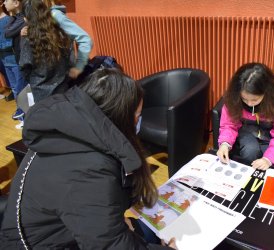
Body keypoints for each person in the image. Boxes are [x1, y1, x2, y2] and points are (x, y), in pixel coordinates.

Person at [0, 68, 176, 249]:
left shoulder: (63, 132)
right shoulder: (90, 171)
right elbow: (111, 245)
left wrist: (114, 220)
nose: (138, 122)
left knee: (147, 231)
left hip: (64, 231)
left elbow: (85, 210)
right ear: (119, 117)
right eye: (137, 116)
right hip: (50, 244)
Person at [217, 62, 274, 170]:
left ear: (266, 92)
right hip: (246, 128)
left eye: (254, 100)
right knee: (250, 151)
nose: (249, 104)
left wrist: (268, 159)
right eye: (244, 99)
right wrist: (224, 143)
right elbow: (229, 124)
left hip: (270, 132)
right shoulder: (233, 97)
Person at [19, 0, 71, 103]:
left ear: (26, 18)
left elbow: (25, 67)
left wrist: (36, 80)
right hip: (63, 87)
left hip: (41, 91)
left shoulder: (28, 39)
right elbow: (69, 58)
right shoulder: (60, 33)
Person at [29, 0, 93, 79]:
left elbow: (85, 39)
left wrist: (79, 67)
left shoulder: (55, 15)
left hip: (62, 77)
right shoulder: (41, 16)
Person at [3, 0, 27, 124]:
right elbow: (7, 32)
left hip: (23, 60)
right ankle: (23, 116)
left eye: (7, 0)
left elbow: (7, 33)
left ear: (16, 3)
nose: (4, 3)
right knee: (16, 88)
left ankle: (23, 114)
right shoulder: (14, 18)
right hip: (17, 59)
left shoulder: (23, 17)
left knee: (20, 89)